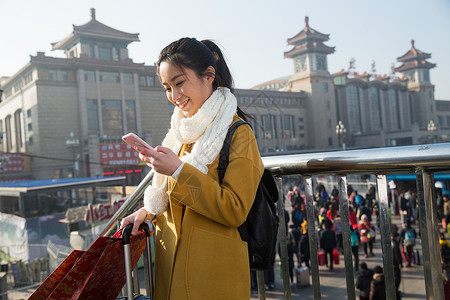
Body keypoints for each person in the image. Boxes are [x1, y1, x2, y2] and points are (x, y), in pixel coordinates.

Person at [120, 37, 264, 299]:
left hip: (212, 277)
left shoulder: (239, 133)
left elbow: (234, 209)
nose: (174, 96)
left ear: (209, 75)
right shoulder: (179, 135)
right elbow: (174, 204)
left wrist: (177, 171)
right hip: (171, 271)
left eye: (179, 83)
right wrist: (146, 213)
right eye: (167, 88)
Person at [391, 231, 403, 299]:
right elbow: (397, 255)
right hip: (395, 263)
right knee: (397, 278)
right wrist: (400, 263)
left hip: (391, 263)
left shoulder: (390, 243)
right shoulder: (395, 244)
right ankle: (395, 291)